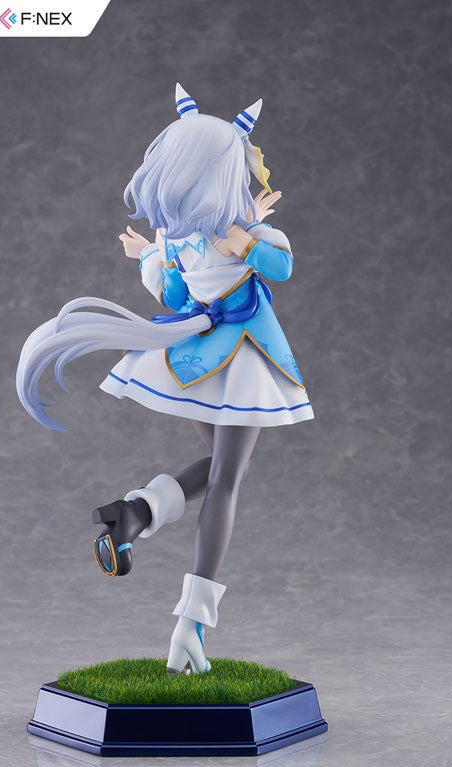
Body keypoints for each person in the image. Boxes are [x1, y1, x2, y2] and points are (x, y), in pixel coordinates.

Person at [16, 84, 314, 676]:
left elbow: (176, 295)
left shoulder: (182, 237)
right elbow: (280, 266)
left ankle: (136, 512)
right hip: (242, 358)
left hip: (196, 358)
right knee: (227, 479)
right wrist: (246, 238)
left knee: (227, 469)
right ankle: (190, 626)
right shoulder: (230, 233)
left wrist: (152, 257)